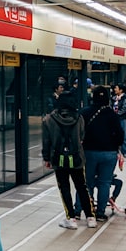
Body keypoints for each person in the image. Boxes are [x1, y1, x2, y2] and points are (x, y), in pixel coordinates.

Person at [43, 93, 96, 229]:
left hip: (58, 158)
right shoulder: (79, 118)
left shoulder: (49, 119)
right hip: (77, 158)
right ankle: (90, 217)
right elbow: (82, 136)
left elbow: (46, 141)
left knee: (64, 188)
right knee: (82, 187)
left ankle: (71, 218)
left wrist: (46, 158)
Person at [81, 86, 124, 221]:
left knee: (87, 183)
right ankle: (100, 212)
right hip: (109, 152)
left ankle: (85, 211)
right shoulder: (112, 114)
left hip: (89, 152)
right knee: (105, 183)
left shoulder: (85, 113)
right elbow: (120, 134)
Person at [111, 83, 126, 157]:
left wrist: (116, 114)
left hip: (123, 119)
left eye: (116, 88)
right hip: (115, 119)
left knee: (125, 135)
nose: (115, 89)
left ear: (121, 90)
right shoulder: (114, 98)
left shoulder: (125, 98)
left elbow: (125, 108)